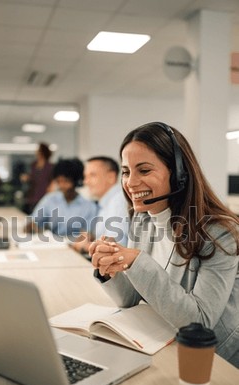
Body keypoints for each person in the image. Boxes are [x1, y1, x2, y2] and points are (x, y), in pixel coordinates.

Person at [89, 122, 239, 368]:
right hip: (164, 341)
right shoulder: (143, 219)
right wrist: (111, 270)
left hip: (214, 360)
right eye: (126, 172)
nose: (130, 182)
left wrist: (138, 262)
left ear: (179, 174)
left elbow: (198, 323)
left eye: (144, 171)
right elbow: (133, 299)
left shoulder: (220, 233)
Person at [26, 158, 97, 239]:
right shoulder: (50, 199)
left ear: (76, 181)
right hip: (51, 245)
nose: (62, 185)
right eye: (59, 181)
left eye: (66, 181)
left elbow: (89, 236)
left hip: (74, 248)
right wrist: (33, 227)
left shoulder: (89, 206)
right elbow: (32, 222)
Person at [72, 156, 129, 253]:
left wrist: (84, 246)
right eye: (85, 177)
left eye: (92, 175)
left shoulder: (118, 202)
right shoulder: (107, 202)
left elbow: (116, 248)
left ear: (111, 177)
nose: (86, 182)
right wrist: (90, 237)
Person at [21, 142, 54, 214]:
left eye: (38, 150)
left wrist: (51, 188)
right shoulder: (33, 165)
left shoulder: (50, 166)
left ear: (42, 152)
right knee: (32, 216)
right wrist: (27, 178)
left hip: (44, 195)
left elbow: (53, 180)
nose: (36, 152)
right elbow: (31, 177)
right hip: (32, 196)